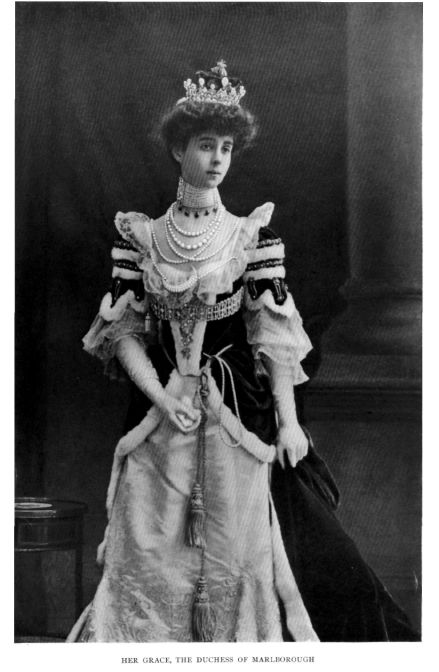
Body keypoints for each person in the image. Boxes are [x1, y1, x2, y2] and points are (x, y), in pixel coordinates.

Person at [67, 61, 419, 643]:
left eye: (226, 148)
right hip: (160, 413)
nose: (217, 159)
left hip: (238, 411)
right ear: (178, 148)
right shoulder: (141, 238)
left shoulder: (251, 237)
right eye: (206, 145)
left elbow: (272, 338)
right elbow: (123, 331)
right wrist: (161, 395)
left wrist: (289, 421)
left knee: (250, 549)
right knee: (149, 553)